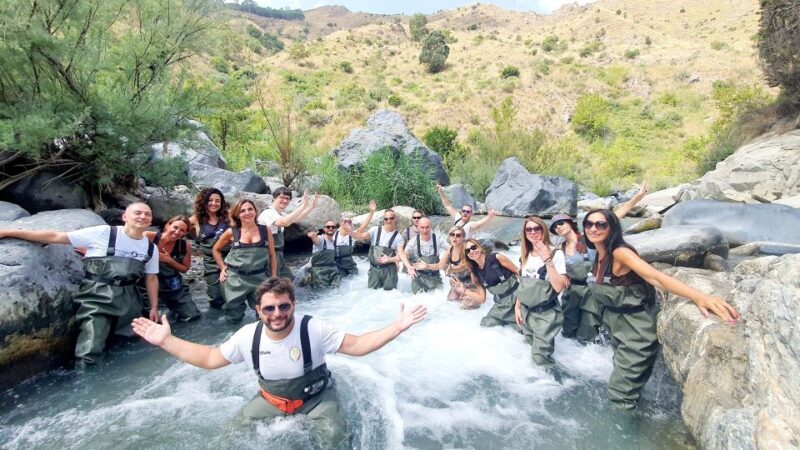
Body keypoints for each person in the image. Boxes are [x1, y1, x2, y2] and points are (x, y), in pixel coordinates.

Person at [132, 277, 427, 446]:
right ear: (258, 310)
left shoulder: (313, 329)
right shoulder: (248, 336)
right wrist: (167, 341)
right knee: (230, 439)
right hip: (271, 401)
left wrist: (396, 327)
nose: (277, 314)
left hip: (317, 399)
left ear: (294, 305)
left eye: (284, 306)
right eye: (269, 308)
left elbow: (358, 345)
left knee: (336, 438)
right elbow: (209, 358)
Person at [583, 208, 740, 409]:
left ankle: (627, 426)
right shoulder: (600, 253)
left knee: (620, 395)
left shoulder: (620, 253)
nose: (593, 229)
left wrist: (700, 297)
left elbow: (655, 277)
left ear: (612, 228)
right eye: (588, 224)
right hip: (618, 330)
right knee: (625, 386)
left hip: (636, 333)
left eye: (600, 224)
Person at [0, 202, 159, 366]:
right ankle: (86, 376)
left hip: (130, 300)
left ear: (151, 220)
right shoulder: (104, 232)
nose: (143, 217)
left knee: (130, 345)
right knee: (90, 349)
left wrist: (154, 307)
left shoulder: (150, 248)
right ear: (125, 217)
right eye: (138, 213)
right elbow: (56, 236)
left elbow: (152, 278)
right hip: (97, 296)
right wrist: (8, 232)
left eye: (147, 214)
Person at [553, 181, 649, 342]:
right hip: (571, 292)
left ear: (570, 223)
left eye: (560, 223)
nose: (558, 227)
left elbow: (614, 218)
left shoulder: (590, 237)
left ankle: (590, 351)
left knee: (588, 330)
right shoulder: (559, 247)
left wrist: (637, 198)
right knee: (568, 329)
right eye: (555, 227)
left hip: (591, 290)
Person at [514, 216, 568, 370]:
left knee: (540, 359)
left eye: (537, 228)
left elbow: (559, 287)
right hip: (526, 311)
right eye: (529, 229)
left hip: (546, 314)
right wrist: (517, 307)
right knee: (529, 346)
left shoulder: (556, 253)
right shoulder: (525, 254)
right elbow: (523, 284)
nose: (533, 232)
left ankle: (553, 380)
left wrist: (546, 259)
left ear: (543, 230)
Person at [213, 200, 277, 323]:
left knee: (265, 313)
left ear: (255, 211)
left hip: (260, 278)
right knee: (234, 316)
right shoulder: (231, 232)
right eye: (242, 211)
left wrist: (273, 277)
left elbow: (272, 255)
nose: (247, 213)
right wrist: (222, 267)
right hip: (235, 279)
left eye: (250, 209)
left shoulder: (265, 230)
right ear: (237, 215)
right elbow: (215, 249)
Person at [142, 216, 201, 322]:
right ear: (168, 225)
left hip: (173, 286)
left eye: (182, 230)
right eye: (175, 227)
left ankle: (174, 307)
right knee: (165, 320)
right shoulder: (149, 237)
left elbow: (185, 268)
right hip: (149, 286)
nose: (177, 232)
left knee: (193, 315)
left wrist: (169, 260)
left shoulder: (184, 245)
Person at [257, 188, 317, 279]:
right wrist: (304, 205)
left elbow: (297, 218)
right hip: (268, 255)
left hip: (278, 255)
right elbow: (284, 223)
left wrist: (312, 207)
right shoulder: (268, 213)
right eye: (282, 197)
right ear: (274, 198)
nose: (284, 201)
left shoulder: (280, 214)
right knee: (273, 282)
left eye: (287, 198)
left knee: (289, 280)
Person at [189, 188, 230, 310]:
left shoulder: (228, 216)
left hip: (230, 261)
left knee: (232, 295)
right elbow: (176, 229)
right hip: (210, 264)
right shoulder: (195, 219)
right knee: (215, 297)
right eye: (210, 200)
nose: (214, 203)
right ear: (203, 201)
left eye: (217, 201)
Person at [465, 239, 520, 327]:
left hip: (517, 297)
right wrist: (463, 290)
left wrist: (520, 301)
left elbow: (519, 273)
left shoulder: (496, 258)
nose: (472, 251)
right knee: (485, 324)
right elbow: (482, 299)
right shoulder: (475, 273)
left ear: (479, 247)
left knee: (524, 326)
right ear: (466, 255)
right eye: (468, 251)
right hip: (501, 304)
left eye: (473, 247)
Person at [352, 203, 407, 291]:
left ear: (395, 219)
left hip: (389, 271)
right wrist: (350, 232)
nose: (388, 220)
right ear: (383, 220)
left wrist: (389, 259)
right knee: (372, 294)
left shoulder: (398, 237)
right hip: (374, 270)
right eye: (386, 219)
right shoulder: (375, 230)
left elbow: (400, 255)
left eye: (391, 218)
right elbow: (361, 236)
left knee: (390, 295)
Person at [404, 217, 447, 294]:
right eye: (422, 227)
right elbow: (404, 255)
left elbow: (451, 249)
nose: (425, 230)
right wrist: (409, 267)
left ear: (431, 227)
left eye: (427, 227)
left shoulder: (438, 239)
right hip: (419, 278)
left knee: (440, 297)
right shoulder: (413, 241)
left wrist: (446, 262)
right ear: (418, 228)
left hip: (435, 276)